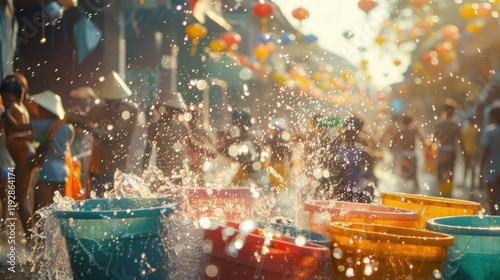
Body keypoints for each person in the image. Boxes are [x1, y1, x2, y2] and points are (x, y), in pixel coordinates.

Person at [68, 71, 138, 198]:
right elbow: (83, 121)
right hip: (95, 171)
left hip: (117, 172)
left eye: (112, 101)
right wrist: (76, 118)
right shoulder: (97, 109)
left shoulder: (130, 111)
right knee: (95, 211)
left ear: (120, 98)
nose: (108, 104)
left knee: (115, 211)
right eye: (106, 100)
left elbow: (112, 137)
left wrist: (86, 126)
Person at [0, 73, 35, 241]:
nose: (5, 102)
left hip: (22, 156)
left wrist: (5, 113)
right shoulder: (21, 108)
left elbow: (16, 128)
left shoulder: (13, 110)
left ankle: (32, 238)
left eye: (7, 98)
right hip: (22, 155)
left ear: (14, 96)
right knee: (19, 199)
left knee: (20, 199)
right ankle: (31, 237)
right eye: (3, 99)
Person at [29, 91, 74, 214]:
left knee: (40, 210)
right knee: (58, 211)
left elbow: (21, 128)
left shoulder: (43, 124)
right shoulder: (68, 127)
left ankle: (39, 233)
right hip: (62, 171)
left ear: (46, 110)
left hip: (47, 169)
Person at [143, 92, 191, 185]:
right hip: (162, 169)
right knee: (164, 192)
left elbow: (191, 142)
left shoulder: (181, 126)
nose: (168, 113)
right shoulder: (154, 126)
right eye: (166, 109)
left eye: (172, 110)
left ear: (177, 111)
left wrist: (206, 150)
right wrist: (144, 170)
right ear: (160, 109)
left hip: (179, 169)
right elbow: (147, 151)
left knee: (179, 194)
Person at [218, 109, 261, 186]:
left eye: (242, 123)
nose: (239, 125)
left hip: (248, 173)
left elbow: (256, 154)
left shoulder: (249, 139)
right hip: (233, 172)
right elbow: (224, 151)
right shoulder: (230, 137)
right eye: (237, 122)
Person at [433, 99, 464, 197]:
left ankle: (440, 192)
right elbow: (460, 140)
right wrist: (464, 153)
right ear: (454, 111)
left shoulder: (439, 124)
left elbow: (435, 139)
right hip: (452, 151)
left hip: (442, 150)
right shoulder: (455, 124)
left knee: (440, 171)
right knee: (450, 172)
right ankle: (449, 193)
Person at [392, 113, 426, 193]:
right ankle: (417, 193)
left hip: (403, 157)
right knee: (414, 176)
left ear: (402, 122)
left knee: (403, 177)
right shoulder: (414, 131)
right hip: (412, 156)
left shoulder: (400, 132)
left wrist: (392, 151)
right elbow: (423, 141)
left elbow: (392, 143)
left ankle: (402, 193)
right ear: (412, 121)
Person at [480, 106, 500, 215]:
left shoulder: (489, 132)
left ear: (492, 117)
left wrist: (480, 168)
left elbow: (485, 152)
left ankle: (494, 221)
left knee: (492, 198)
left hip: (491, 170)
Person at [0, 98, 15, 231]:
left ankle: (5, 223)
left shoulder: (4, 116)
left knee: (5, 195)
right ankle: (5, 223)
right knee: (6, 196)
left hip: (5, 163)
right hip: (7, 162)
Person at [265, 118, 292, 192]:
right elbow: (288, 151)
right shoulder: (284, 138)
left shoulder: (274, 138)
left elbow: (266, 143)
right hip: (280, 164)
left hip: (273, 163)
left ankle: (274, 196)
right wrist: (290, 162)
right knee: (280, 184)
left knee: (273, 184)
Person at [461, 113, 481, 188]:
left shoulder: (465, 129)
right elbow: (478, 140)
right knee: (473, 168)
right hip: (474, 151)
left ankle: (464, 182)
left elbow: (461, 140)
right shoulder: (476, 129)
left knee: (466, 167)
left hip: (466, 151)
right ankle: (472, 184)